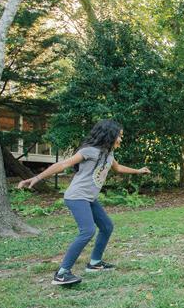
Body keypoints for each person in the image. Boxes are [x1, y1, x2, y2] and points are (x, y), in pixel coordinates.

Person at [17, 120, 150, 285]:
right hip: (77, 196)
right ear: (109, 135)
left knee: (107, 227)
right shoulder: (89, 151)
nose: (120, 139)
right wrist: (36, 178)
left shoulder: (108, 154)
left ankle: (95, 263)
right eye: (119, 136)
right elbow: (63, 164)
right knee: (87, 231)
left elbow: (118, 168)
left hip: (89, 198)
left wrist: (138, 171)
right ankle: (62, 274)